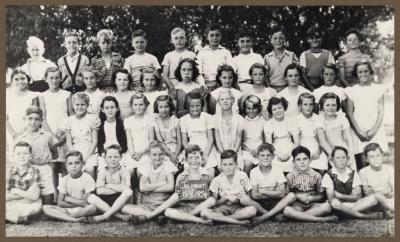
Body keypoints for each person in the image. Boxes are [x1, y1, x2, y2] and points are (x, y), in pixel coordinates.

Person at [345, 61, 389, 170]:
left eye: (366, 71)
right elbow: (349, 113)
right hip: (359, 129)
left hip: (375, 129)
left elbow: (381, 112)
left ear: (370, 72)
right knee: (362, 164)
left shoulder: (378, 89)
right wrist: (359, 132)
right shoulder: (352, 91)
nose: (363, 74)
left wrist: (374, 130)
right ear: (356, 74)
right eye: (360, 72)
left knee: (376, 162)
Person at [200, 150, 264, 225]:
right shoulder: (216, 180)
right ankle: (237, 221)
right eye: (225, 164)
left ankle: (223, 220)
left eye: (231, 164)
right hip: (223, 209)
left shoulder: (242, 175)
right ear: (221, 165)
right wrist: (225, 198)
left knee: (252, 210)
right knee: (204, 212)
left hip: (238, 208)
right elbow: (215, 203)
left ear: (236, 164)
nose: (228, 167)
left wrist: (239, 198)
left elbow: (249, 197)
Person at [122, 141, 177, 223]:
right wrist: (161, 183)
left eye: (160, 154)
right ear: (149, 155)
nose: (158, 157)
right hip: (147, 205)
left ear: (164, 154)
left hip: (163, 204)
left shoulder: (167, 165)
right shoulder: (147, 166)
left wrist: (149, 188)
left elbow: (170, 187)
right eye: (154, 155)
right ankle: (156, 216)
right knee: (125, 208)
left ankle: (152, 215)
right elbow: (142, 188)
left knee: (169, 210)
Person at [14, 106, 59, 205]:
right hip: (28, 170)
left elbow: (55, 153)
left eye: (37, 119)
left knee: (48, 203)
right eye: (30, 118)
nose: (33, 122)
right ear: (24, 119)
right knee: (29, 199)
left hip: (44, 169)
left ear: (41, 120)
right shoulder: (20, 138)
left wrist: (45, 161)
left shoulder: (47, 136)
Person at [322, 146, 382, 219]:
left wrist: (340, 196)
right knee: (335, 203)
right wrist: (351, 196)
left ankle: (346, 214)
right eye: (337, 158)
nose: (341, 160)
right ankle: (365, 216)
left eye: (343, 157)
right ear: (331, 160)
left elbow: (358, 197)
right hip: (338, 206)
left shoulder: (353, 173)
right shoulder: (328, 175)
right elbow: (331, 199)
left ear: (348, 159)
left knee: (373, 199)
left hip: (354, 205)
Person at [283, 146, 338, 222]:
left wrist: (312, 198)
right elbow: (286, 195)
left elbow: (322, 196)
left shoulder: (316, 175)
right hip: (297, 205)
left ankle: (297, 217)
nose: (302, 162)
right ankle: (321, 219)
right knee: (287, 210)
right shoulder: (290, 176)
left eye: (305, 159)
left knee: (327, 207)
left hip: (313, 205)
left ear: (310, 160)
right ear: (293, 162)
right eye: (298, 160)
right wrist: (297, 196)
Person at [41, 67, 73, 196]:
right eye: (51, 78)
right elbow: (43, 117)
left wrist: (65, 134)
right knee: (53, 166)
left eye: (57, 78)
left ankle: (65, 193)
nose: (54, 80)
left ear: (60, 79)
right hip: (50, 133)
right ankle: (55, 193)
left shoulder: (67, 94)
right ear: (46, 79)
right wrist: (52, 136)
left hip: (64, 133)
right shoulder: (42, 95)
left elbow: (71, 114)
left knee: (66, 164)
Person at [42, 151, 97, 222]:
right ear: (66, 166)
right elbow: (60, 203)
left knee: (92, 208)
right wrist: (77, 203)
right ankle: (73, 219)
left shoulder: (88, 178)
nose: (73, 166)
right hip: (67, 209)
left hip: (82, 210)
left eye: (77, 163)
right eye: (70, 163)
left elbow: (87, 203)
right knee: (45, 208)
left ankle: (70, 216)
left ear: (83, 164)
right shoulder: (64, 179)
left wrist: (69, 199)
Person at [250, 143, 297, 224]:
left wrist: (263, 191)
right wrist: (274, 191)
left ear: (273, 157)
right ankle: (272, 215)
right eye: (262, 155)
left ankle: (264, 217)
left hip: (274, 202)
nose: (265, 158)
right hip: (260, 203)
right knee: (244, 199)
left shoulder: (278, 170)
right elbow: (254, 195)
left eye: (268, 155)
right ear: (257, 157)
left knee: (291, 196)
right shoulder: (254, 171)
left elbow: (282, 194)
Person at [86, 144, 134, 223]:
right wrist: (120, 188)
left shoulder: (125, 171)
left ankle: (104, 216)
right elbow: (99, 191)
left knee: (129, 192)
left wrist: (108, 185)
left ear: (121, 157)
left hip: (121, 201)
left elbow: (127, 188)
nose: (113, 160)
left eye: (116, 157)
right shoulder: (102, 171)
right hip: (105, 201)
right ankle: (119, 216)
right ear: (105, 158)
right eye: (110, 157)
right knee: (90, 197)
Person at [62, 92, 101, 178]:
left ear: (87, 105)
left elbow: (94, 140)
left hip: (89, 151)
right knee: (72, 170)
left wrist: (86, 157)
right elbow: (69, 142)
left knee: (89, 169)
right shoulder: (69, 121)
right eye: (77, 104)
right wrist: (74, 155)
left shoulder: (92, 119)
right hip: (74, 150)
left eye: (83, 104)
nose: (80, 107)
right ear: (73, 105)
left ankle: (91, 190)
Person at [180, 92, 217, 177]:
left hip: (206, 148)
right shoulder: (183, 119)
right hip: (191, 149)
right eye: (192, 106)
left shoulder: (208, 117)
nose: (195, 108)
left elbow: (211, 139)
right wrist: (192, 152)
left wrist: (205, 155)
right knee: (189, 171)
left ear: (202, 105)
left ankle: (208, 189)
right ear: (187, 106)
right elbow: (184, 141)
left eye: (198, 105)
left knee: (210, 172)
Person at [6, 68, 45, 147]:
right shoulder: (7, 96)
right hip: (11, 131)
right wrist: (13, 134)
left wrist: (23, 133)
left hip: (29, 130)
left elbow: (34, 116)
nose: (20, 81)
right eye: (16, 79)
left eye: (23, 78)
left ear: (28, 80)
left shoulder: (33, 96)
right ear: (12, 81)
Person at [293, 93, 330, 173]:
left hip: (317, 148)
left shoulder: (319, 118)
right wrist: (303, 154)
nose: (308, 107)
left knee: (322, 161)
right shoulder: (296, 120)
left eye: (311, 104)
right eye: (305, 104)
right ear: (300, 106)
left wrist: (319, 150)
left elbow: (322, 139)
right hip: (302, 149)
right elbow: (297, 142)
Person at [6, 142, 42, 224]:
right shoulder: (9, 172)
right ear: (13, 156)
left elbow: (34, 197)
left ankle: (11, 218)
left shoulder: (34, 171)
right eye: (18, 154)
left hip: (29, 203)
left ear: (30, 156)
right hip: (14, 203)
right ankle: (18, 220)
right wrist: (26, 194)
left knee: (36, 208)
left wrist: (16, 191)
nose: (22, 156)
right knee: (7, 207)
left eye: (25, 153)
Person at [320, 92, 356, 169]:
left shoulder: (342, 118)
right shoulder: (320, 120)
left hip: (345, 150)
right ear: (322, 107)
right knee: (337, 173)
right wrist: (333, 155)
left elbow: (349, 138)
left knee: (352, 170)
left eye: (334, 105)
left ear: (337, 106)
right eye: (327, 105)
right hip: (331, 152)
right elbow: (322, 142)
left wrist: (351, 153)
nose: (331, 108)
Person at [359, 143, 394, 218]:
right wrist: (386, 191)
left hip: (388, 200)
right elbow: (367, 194)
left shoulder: (389, 169)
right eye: (371, 156)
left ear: (382, 156)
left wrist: (390, 192)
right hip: (374, 202)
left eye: (378, 155)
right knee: (375, 198)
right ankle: (388, 211)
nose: (375, 159)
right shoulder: (363, 172)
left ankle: (388, 211)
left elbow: (394, 190)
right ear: (366, 159)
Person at [213, 89, 244, 171]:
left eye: (228, 99)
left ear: (233, 101)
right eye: (222, 99)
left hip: (235, 150)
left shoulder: (239, 119)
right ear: (219, 102)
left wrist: (233, 153)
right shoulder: (215, 118)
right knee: (222, 168)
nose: (225, 101)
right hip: (220, 151)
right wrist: (223, 153)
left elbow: (239, 138)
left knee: (237, 169)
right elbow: (217, 139)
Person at [197, 24, 235, 91]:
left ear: (220, 37)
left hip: (222, 84)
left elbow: (232, 69)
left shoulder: (225, 52)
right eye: (212, 35)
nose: (214, 38)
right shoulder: (202, 53)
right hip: (206, 84)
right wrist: (202, 85)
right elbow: (198, 72)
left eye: (217, 35)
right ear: (207, 37)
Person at [264, 97, 297, 173]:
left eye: (280, 108)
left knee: (293, 164)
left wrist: (288, 154)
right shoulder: (268, 123)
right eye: (274, 109)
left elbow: (297, 142)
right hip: (275, 149)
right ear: (271, 111)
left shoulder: (292, 121)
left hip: (290, 148)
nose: (277, 111)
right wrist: (279, 155)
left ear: (284, 108)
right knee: (274, 164)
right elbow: (269, 144)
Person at [124, 92, 155, 168]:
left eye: (141, 104)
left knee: (140, 172)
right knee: (129, 171)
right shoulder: (128, 121)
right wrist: (132, 153)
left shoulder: (149, 120)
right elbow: (129, 140)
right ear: (131, 106)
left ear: (145, 106)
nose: (138, 107)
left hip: (146, 151)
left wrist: (141, 153)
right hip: (133, 151)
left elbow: (151, 141)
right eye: (135, 105)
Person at [299, 26, 335, 91]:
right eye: (312, 38)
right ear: (308, 40)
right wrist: (312, 89)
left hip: (325, 86)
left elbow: (332, 72)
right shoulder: (304, 55)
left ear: (321, 39)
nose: (315, 40)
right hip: (309, 86)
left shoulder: (328, 54)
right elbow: (303, 75)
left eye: (317, 37)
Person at [97, 96, 128, 169]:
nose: (110, 110)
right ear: (102, 110)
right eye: (107, 108)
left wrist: (119, 151)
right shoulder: (100, 125)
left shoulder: (121, 124)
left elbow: (124, 143)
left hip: (119, 152)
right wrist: (102, 152)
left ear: (117, 108)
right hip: (105, 153)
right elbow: (100, 143)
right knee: (102, 169)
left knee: (124, 169)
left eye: (112, 107)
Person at [264, 27, 299, 92]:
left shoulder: (291, 55)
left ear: (284, 40)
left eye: (281, 38)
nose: (278, 40)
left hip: (289, 88)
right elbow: (265, 76)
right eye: (275, 38)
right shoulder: (267, 57)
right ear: (271, 41)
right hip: (272, 88)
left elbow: (297, 73)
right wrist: (270, 89)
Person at [153, 95, 182, 165]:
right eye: (161, 107)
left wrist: (175, 155)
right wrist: (171, 155)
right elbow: (160, 143)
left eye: (166, 107)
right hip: (164, 150)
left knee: (180, 163)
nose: (164, 110)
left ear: (170, 107)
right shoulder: (156, 122)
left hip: (177, 150)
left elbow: (179, 142)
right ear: (157, 108)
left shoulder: (176, 121)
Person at [240, 95, 265, 173]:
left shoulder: (263, 121)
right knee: (247, 164)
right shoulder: (242, 121)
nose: (251, 111)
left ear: (258, 108)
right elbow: (239, 141)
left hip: (261, 148)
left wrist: (259, 149)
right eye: (248, 108)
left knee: (263, 164)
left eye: (254, 108)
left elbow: (265, 139)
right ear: (245, 108)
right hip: (246, 149)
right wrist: (249, 150)